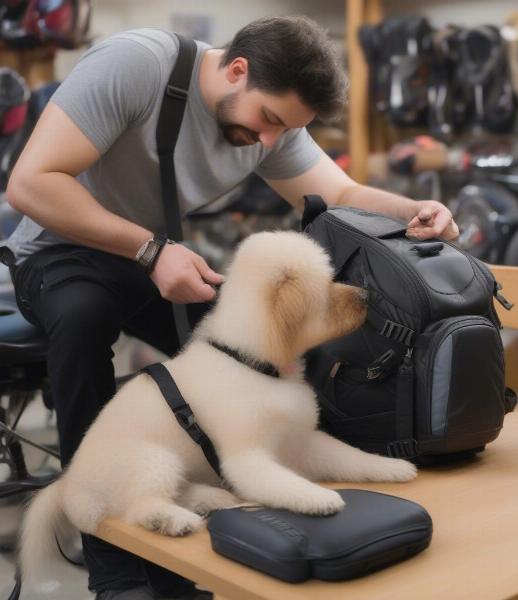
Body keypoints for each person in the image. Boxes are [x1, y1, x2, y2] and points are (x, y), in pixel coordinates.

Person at [4, 15, 459, 600]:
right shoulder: (134, 65)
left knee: (259, 345)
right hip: (59, 251)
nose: (271, 142)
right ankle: (115, 574)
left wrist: (412, 209)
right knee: (84, 320)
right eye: (268, 120)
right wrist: (149, 249)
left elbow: (337, 195)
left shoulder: (272, 123)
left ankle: (255, 514)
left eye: (285, 130)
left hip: (152, 256)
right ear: (236, 69)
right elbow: (31, 184)